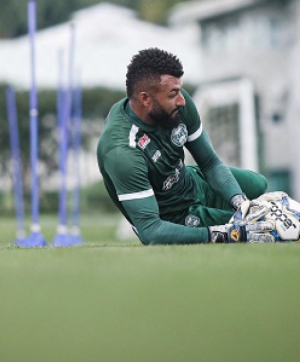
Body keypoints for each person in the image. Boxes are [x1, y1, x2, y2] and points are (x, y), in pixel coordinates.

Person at [96, 48, 273, 244]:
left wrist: (241, 204)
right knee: (264, 227)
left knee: (259, 185)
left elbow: (210, 163)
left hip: (193, 182)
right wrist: (226, 234)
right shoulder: (121, 150)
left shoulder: (178, 102)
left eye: (179, 90)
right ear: (145, 99)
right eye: (173, 94)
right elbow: (150, 230)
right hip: (174, 217)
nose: (182, 100)